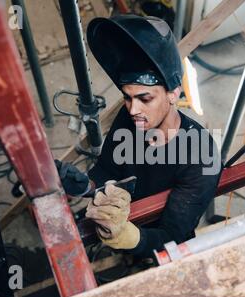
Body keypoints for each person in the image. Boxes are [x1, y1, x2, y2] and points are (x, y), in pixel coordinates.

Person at [58, 15, 221, 258]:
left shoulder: (201, 156)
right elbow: (107, 170)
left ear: (173, 94)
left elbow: (173, 235)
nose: (133, 110)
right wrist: (86, 185)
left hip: (160, 242)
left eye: (145, 99)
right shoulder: (131, 120)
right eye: (127, 97)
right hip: (126, 212)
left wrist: (130, 238)